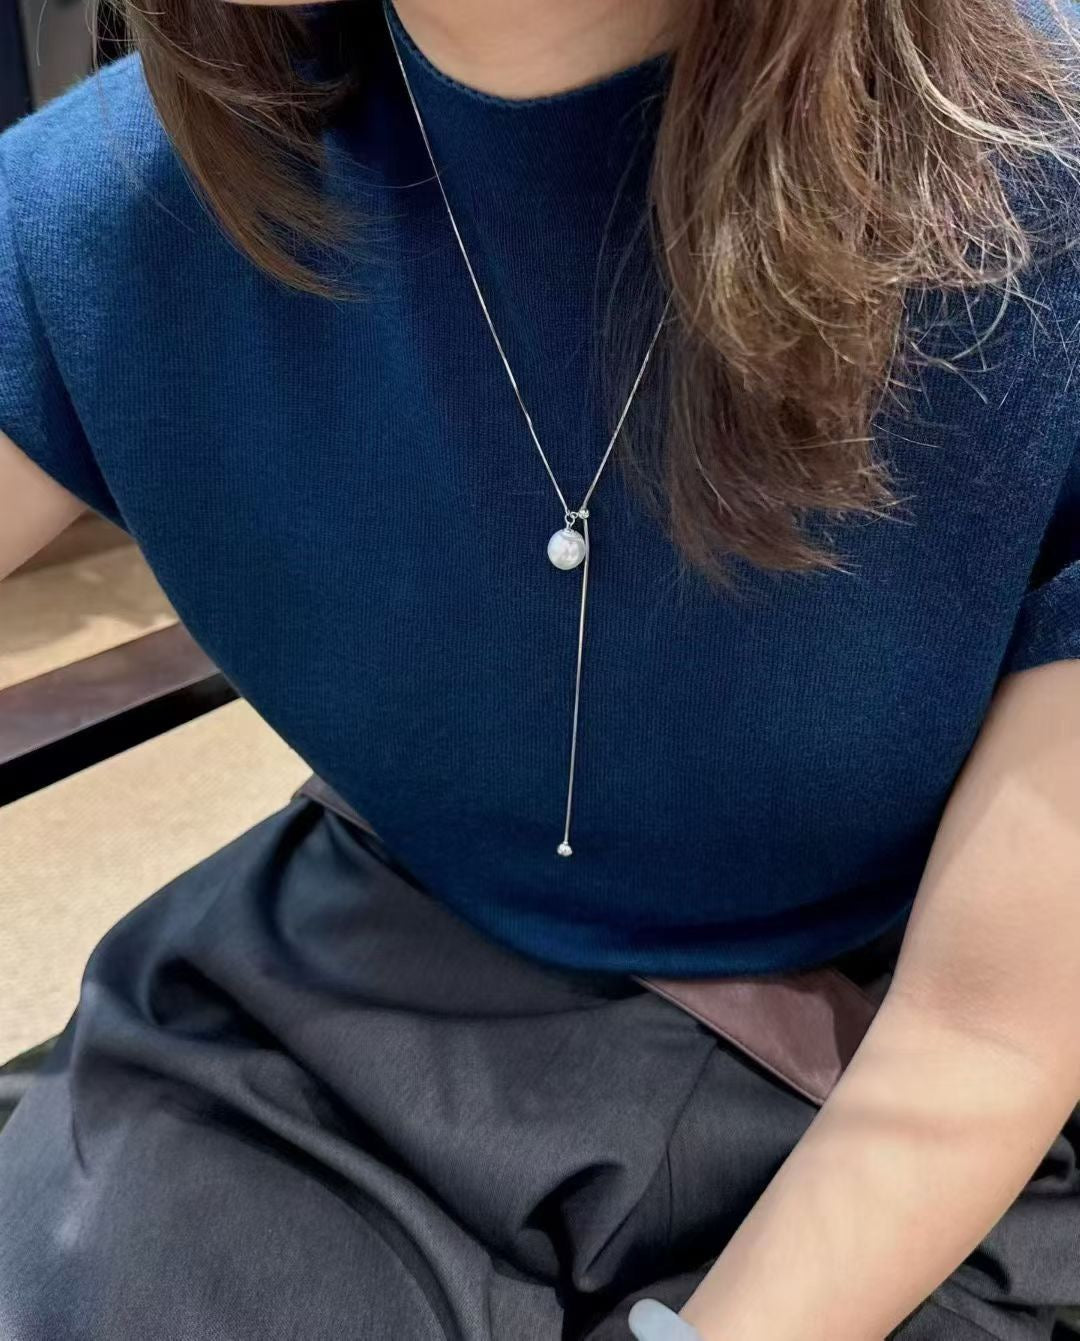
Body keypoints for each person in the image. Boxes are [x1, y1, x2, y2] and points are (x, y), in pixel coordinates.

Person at [1, 0, 1079, 1335]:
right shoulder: (120, 209)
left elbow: (983, 1037)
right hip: (349, 1010)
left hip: (897, 1089)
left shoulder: (1033, 222)